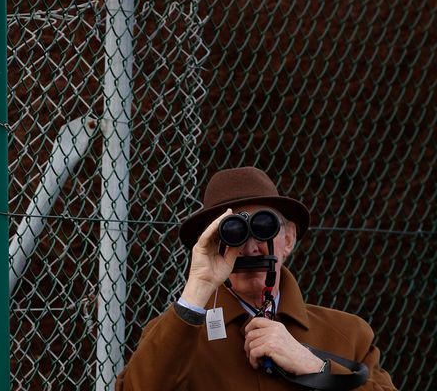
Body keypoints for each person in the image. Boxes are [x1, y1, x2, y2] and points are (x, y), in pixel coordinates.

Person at [116, 166, 395, 390]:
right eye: (232, 232)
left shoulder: (348, 334)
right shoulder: (175, 339)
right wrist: (199, 285)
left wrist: (316, 367)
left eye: (263, 226)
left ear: (289, 238)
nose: (249, 247)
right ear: (210, 242)